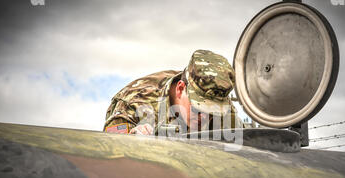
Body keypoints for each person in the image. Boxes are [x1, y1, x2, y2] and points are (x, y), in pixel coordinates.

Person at [103, 49, 243, 135]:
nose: (205, 117)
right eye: (198, 109)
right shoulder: (134, 103)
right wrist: (131, 139)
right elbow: (109, 152)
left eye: (213, 112)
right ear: (180, 89)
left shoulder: (219, 102)